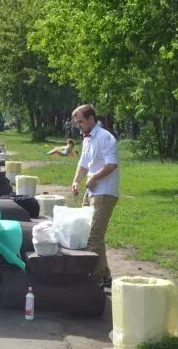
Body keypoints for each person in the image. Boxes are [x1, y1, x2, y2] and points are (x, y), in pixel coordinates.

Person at [70, 104, 119, 289]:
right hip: (91, 191)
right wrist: (76, 181)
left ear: (91, 119)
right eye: (77, 122)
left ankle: (94, 280)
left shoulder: (106, 137)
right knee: (89, 233)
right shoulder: (87, 139)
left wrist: (95, 178)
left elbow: (112, 164)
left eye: (81, 121)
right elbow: (83, 162)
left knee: (93, 236)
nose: (79, 125)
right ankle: (105, 274)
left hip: (105, 192)